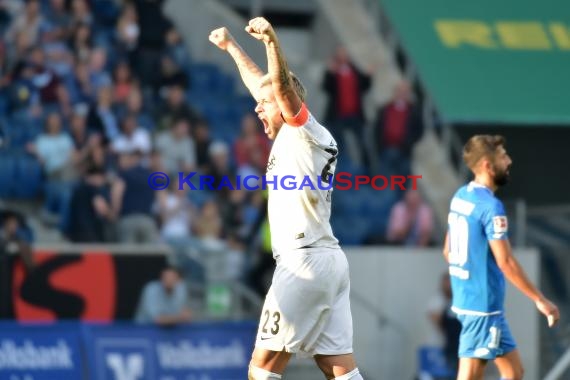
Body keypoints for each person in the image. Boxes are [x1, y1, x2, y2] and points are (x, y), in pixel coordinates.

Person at [209, 18, 364, 380]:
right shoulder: (291, 136)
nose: (257, 108)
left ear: (285, 102)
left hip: (303, 262)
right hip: (326, 260)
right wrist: (232, 46)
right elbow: (263, 87)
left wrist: (270, 40)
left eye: (265, 104)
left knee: (261, 370)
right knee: (338, 369)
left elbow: (276, 86)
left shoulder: (304, 131)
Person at [443, 135, 560, 380]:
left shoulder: (461, 196)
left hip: (473, 300)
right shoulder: (490, 207)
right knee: (470, 375)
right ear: (487, 164)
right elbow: (505, 262)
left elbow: (448, 250)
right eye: (503, 156)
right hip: (482, 307)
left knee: (514, 373)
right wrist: (540, 300)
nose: (509, 161)